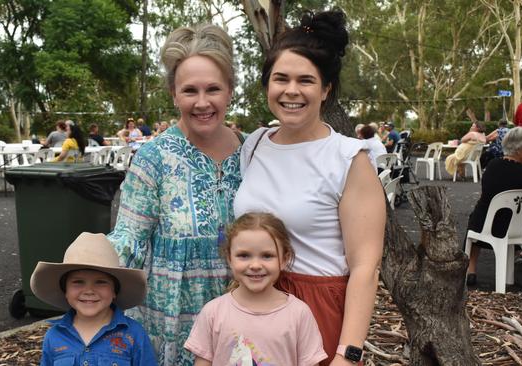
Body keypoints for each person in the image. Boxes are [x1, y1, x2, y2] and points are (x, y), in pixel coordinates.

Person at [234, 10, 385, 366]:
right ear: (267, 85)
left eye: (306, 80)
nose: (291, 91)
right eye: (280, 78)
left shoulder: (348, 158)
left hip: (317, 311)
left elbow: (366, 267)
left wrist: (347, 354)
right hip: (254, 303)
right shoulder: (254, 145)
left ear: (325, 90)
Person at [107, 23, 242, 365]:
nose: (202, 102)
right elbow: (129, 239)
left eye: (213, 89)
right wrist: (90, 278)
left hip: (244, 313)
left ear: (230, 91)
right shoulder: (154, 158)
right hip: (172, 321)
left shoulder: (254, 152)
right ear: (173, 94)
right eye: (189, 91)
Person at [185, 212, 327, 365]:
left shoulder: (299, 314)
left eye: (267, 256)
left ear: (284, 259)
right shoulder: (212, 313)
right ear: (229, 258)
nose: (255, 265)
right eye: (244, 255)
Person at [30, 232, 157, 365]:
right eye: (78, 282)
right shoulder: (54, 336)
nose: (89, 291)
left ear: (114, 291)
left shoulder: (134, 335)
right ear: (65, 291)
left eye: (100, 282)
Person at [464, 127, 522, 285]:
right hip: (518, 230)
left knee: (476, 215)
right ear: (521, 149)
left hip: (487, 227)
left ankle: (471, 269)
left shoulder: (492, 166)